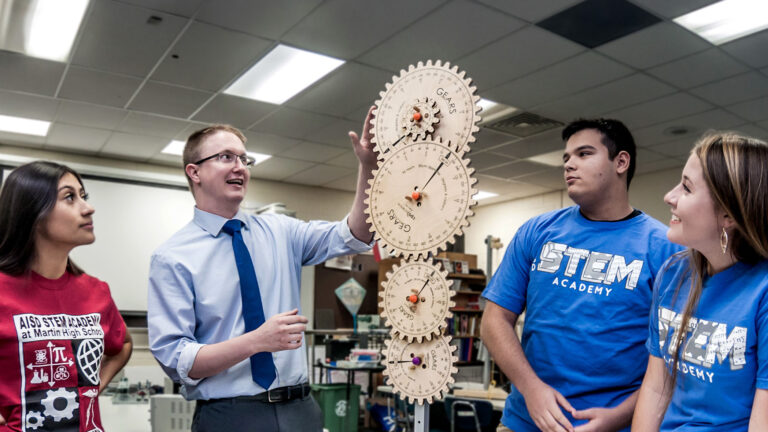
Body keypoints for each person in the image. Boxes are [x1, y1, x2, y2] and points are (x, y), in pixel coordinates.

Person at [147, 108, 377, 431]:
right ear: (194, 172)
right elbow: (178, 361)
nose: (239, 166)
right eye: (226, 157)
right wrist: (256, 341)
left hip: (300, 410)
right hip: (231, 415)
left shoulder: (281, 231)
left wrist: (368, 167)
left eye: (244, 159)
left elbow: (356, 235)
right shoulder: (172, 257)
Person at [481, 119, 682, 432]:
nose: (569, 165)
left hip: (614, 424)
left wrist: (618, 417)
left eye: (584, 154)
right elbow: (495, 320)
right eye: (566, 158)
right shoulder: (537, 231)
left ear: (621, 162)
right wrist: (531, 390)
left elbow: (673, 360)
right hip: (525, 421)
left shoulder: (664, 248)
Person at [632, 133, 768, 431]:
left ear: (728, 214)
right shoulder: (673, 274)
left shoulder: (762, 291)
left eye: (687, 187)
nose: (670, 196)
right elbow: (657, 388)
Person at [0, 161, 132, 431]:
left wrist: (89, 390)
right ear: (32, 212)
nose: (88, 207)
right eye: (69, 197)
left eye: (84, 196)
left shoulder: (96, 291)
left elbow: (123, 347)